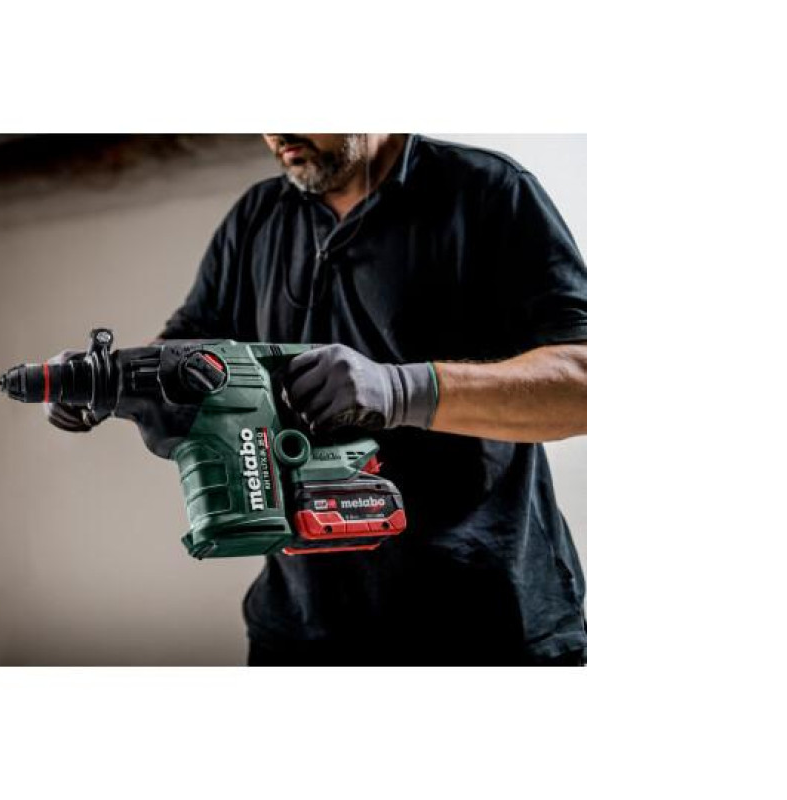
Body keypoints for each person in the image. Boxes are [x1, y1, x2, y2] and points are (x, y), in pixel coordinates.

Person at [50, 134, 587, 666]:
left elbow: (584, 384)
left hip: (482, 624)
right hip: (301, 628)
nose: (278, 133)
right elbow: (189, 351)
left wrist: (401, 390)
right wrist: (113, 379)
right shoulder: (257, 217)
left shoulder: (488, 191)